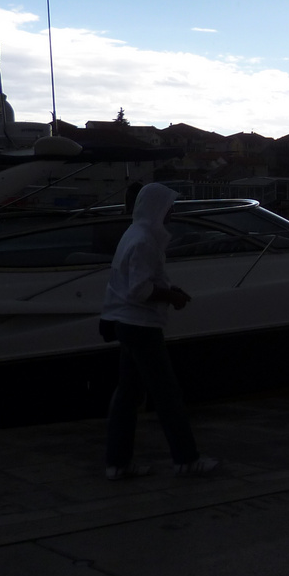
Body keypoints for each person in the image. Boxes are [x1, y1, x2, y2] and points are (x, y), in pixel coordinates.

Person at [100, 182, 218, 479]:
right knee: (167, 394)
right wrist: (172, 297)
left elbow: (136, 281)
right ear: (157, 208)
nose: (172, 213)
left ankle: (117, 464)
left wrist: (169, 289)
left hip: (127, 323)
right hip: (140, 326)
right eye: (169, 207)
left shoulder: (135, 234)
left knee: (127, 395)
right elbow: (139, 290)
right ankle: (186, 459)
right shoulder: (143, 240)